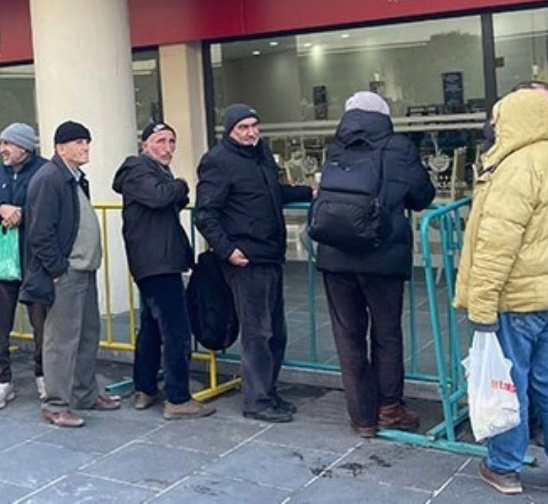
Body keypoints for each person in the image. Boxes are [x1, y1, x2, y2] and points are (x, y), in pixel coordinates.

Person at [455, 90, 548, 499]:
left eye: (498, 118)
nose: (494, 126)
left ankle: (504, 468)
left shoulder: (516, 167)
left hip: (517, 300)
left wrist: (482, 306)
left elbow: (497, 246)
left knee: (509, 386)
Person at [314, 93, 435, 437]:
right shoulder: (399, 147)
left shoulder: (335, 148)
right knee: (386, 333)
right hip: (382, 256)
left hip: (335, 255)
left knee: (347, 336)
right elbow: (422, 195)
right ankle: (389, 408)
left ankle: (362, 417)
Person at [194, 104, 312, 423]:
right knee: (258, 333)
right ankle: (257, 400)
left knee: (276, 333)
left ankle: (268, 392)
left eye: (253, 125)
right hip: (246, 260)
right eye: (243, 127)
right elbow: (205, 213)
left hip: (270, 255)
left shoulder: (261, 156)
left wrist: (309, 191)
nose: (250, 132)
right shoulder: (218, 161)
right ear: (230, 130)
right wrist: (227, 250)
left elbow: (273, 193)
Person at [113, 121, 214, 420]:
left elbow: (168, 199)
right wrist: (180, 185)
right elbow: (161, 197)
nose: (167, 148)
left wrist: (174, 190)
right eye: (160, 141)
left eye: (171, 141)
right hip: (156, 261)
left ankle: (144, 387)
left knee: (153, 325)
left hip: (158, 259)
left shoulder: (152, 172)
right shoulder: (138, 170)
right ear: (144, 145)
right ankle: (178, 398)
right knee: (176, 329)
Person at [24, 121, 121, 427]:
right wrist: (58, 269)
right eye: (78, 142)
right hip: (67, 273)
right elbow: (40, 232)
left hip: (83, 269)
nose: (85, 147)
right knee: (61, 340)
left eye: (87, 141)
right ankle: (55, 404)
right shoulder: (50, 179)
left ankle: (84, 393)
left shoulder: (74, 178)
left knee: (87, 334)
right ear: (60, 148)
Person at [0, 122, 49, 409]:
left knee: (43, 323)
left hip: (35, 261)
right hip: (2, 260)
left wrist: (22, 214)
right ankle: (1, 381)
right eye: (1, 143)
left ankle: (44, 375)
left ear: (24, 147)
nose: (1, 149)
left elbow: (51, 208)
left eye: (7, 143)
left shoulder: (44, 171)